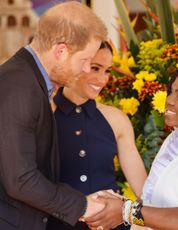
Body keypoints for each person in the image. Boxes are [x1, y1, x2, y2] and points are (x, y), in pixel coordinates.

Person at [86, 58, 178, 230]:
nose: (169, 100)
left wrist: (126, 211)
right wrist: (118, 206)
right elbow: (156, 206)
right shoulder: (175, 140)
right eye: (170, 92)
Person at [0, 1, 108, 230]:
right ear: (61, 51)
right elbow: (21, 180)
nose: (87, 69)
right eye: (85, 60)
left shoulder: (29, 80)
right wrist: (84, 206)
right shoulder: (19, 85)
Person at [48, 41, 147, 230]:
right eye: (95, 68)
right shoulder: (43, 115)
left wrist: (147, 224)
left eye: (107, 71)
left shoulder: (117, 119)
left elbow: (144, 191)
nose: (102, 79)